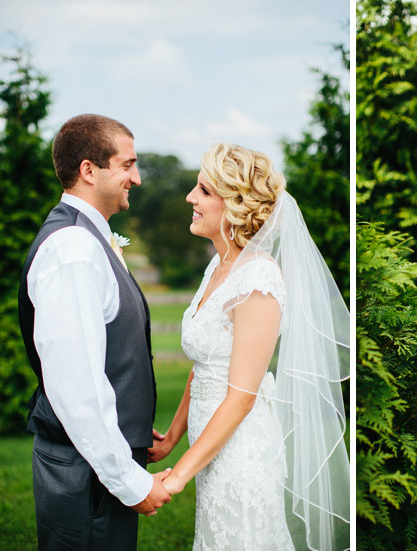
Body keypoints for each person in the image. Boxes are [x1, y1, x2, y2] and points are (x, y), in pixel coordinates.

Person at [147, 143, 350, 550]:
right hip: (210, 446)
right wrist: (172, 436)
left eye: (203, 191)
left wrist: (176, 475)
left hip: (241, 451)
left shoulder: (258, 280)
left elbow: (241, 396)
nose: (190, 197)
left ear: (235, 204)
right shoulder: (218, 267)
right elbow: (207, 362)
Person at [18, 114, 172, 551]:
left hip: (96, 461)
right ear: (89, 170)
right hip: (87, 469)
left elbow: (105, 354)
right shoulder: (73, 249)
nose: (137, 178)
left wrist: (132, 420)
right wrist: (130, 481)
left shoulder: (89, 240)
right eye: (127, 165)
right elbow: (76, 384)